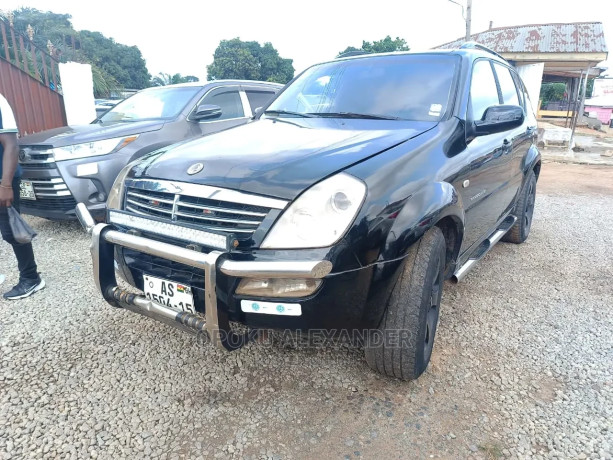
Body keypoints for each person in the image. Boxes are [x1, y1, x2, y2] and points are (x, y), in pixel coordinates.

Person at [0, 93, 45, 300]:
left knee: (12, 231)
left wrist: (6, 184)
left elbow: (11, 144)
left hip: (2, 181)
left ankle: (31, 278)